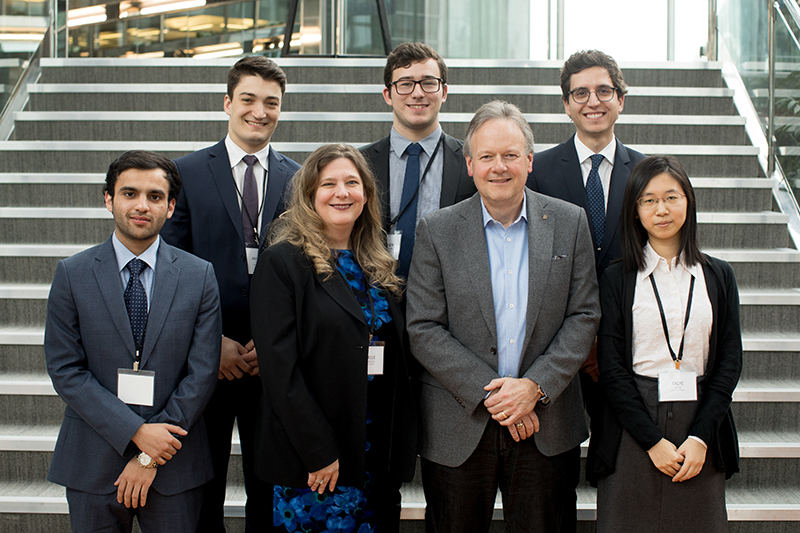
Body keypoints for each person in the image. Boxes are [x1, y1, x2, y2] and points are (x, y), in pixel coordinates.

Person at [406, 101, 600, 533]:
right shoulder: (437, 230)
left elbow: (584, 314)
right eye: (488, 156)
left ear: (529, 161)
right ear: (470, 164)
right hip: (460, 422)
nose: (499, 166)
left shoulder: (570, 222)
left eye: (510, 155)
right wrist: (497, 396)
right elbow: (423, 326)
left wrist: (534, 387)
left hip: (545, 424)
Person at [45, 150, 222, 532]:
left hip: (175, 463)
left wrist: (149, 458)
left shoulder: (199, 276)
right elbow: (66, 369)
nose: (142, 205)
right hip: (93, 461)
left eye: (155, 196)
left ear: (171, 206)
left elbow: (203, 372)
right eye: (129, 193)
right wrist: (138, 434)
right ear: (108, 199)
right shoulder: (72, 274)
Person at [160, 56, 300, 532]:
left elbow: (306, 273)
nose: (259, 111)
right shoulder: (186, 172)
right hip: (205, 361)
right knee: (203, 486)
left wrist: (277, 342)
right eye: (249, 100)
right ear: (227, 103)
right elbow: (170, 269)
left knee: (271, 485)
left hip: (273, 358)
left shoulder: (299, 179)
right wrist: (210, 342)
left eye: (271, 103)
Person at [250, 144, 417, 533]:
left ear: (366, 195)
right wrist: (318, 450)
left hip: (374, 449)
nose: (342, 193)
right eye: (329, 184)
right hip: (315, 456)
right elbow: (280, 372)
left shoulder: (378, 263)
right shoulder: (283, 262)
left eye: (352, 183)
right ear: (310, 195)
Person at [589, 155, 742, 532]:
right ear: (635, 211)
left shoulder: (718, 275)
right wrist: (652, 441)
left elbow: (728, 362)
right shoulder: (616, 278)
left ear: (688, 202)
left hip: (700, 418)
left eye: (671, 197)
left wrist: (701, 437)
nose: (662, 209)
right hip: (631, 425)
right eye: (649, 200)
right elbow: (611, 368)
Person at [360, 42, 476, 279]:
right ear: (388, 95)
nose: (418, 93)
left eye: (428, 83)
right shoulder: (359, 164)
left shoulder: (470, 162)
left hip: (448, 303)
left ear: (443, 92)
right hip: (375, 302)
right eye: (405, 84)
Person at [527, 49, 645, 277]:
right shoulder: (538, 171)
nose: (593, 102)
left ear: (620, 101)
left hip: (628, 305)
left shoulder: (644, 171)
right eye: (581, 93)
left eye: (603, 91)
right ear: (566, 105)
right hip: (564, 308)